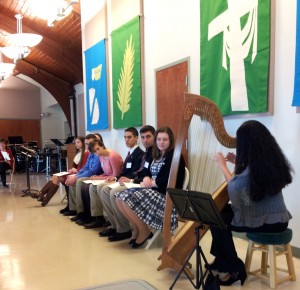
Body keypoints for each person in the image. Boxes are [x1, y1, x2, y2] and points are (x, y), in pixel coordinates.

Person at [209, 120, 293, 286]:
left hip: (268, 223)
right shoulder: (269, 160)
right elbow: (247, 192)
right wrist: (237, 164)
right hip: (278, 218)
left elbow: (236, 190)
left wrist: (223, 166)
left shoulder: (254, 168)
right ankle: (222, 261)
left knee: (217, 220)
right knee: (219, 212)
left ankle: (234, 268)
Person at [115, 127, 185, 248]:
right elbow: (146, 172)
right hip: (152, 190)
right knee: (119, 198)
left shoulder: (175, 156)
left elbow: (167, 181)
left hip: (166, 195)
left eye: (164, 139)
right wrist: (146, 178)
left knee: (126, 200)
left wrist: (150, 183)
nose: (161, 142)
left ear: (170, 141)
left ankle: (145, 231)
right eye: (159, 139)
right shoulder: (156, 154)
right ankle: (137, 229)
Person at [89, 127, 145, 240]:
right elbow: (123, 172)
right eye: (125, 137)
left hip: (133, 183)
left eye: (129, 137)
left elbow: (137, 173)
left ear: (136, 138)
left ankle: (124, 228)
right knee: (102, 188)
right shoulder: (130, 154)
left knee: (111, 191)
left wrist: (126, 179)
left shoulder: (140, 154)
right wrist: (115, 178)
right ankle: (114, 224)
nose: (126, 140)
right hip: (125, 181)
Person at [71, 139, 124, 225]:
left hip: (115, 180)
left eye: (98, 149)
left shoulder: (112, 156)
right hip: (107, 178)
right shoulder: (101, 156)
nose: (97, 152)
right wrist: (98, 177)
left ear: (103, 146)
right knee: (89, 184)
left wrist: (99, 178)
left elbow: (115, 175)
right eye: (95, 152)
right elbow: (106, 173)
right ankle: (93, 215)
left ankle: (103, 218)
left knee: (96, 186)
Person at [29, 137, 89, 207]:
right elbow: (75, 166)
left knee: (56, 177)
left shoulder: (86, 153)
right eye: (75, 142)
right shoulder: (79, 153)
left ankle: (42, 196)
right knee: (55, 177)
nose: (76, 144)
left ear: (83, 143)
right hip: (74, 172)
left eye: (78, 142)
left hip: (79, 174)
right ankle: (43, 197)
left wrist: (76, 170)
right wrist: (72, 169)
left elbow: (84, 168)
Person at [63, 134, 103, 216]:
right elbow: (85, 167)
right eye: (86, 144)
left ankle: (82, 212)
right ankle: (74, 209)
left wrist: (76, 177)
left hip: (96, 176)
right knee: (73, 179)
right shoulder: (91, 153)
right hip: (90, 174)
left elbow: (93, 171)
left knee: (78, 181)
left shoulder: (98, 154)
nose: (88, 146)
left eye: (90, 144)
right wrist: (76, 174)